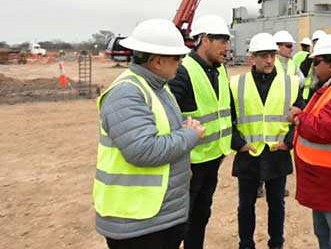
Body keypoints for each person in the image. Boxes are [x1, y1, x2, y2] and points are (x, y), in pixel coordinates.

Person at [93, 18, 205, 248]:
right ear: (156, 62)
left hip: (157, 216)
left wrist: (182, 131)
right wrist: (190, 135)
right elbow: (143, 150)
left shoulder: (158, 87)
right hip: (136, 221)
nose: (181, 63)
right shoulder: (127, 93)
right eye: (176, 58)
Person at [231, 32, 302, 249]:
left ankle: (276, 244)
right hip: (248, 155)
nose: (269, 60)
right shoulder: (236, 84)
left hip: (277, 154)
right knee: (245, 206)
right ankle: (246, 244)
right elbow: (227, 119)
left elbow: (299, 119)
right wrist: (238, 143)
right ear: (252, 57)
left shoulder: (291, 84)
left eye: (271, 55)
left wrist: (288, 142)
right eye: (263, 56)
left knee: (277, 206)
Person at [168, 15, 235, 249]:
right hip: (189, 164)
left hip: (213, 159)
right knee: (180, 223)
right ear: (204, 40)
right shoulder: (183, 71)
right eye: (222, 41)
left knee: (200, 217)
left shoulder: (219, 69)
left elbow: (226, 110)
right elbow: (168, 117)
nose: (226, 47)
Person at [292, 34, 331, 249]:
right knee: (324, 234)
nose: (312, 67)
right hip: (322, 180)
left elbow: (324, 128)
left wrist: (298, 117)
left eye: (316, 62)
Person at [300, 29, 327, 102]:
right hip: (308, 96)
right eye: (315, 43)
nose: (317, 45)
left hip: (322, 95)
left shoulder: (328, 59)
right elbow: (303, 70)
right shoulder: (309, 58)